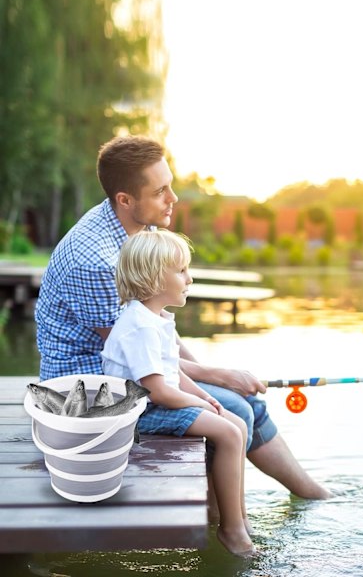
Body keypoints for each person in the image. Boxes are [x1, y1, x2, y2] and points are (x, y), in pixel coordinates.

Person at [35, 134, 330, 500]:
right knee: (233, 407)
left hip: (135, 365)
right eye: (161, 191)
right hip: (91, 387)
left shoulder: (141, 226)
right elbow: (134, 350)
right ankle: (220, 521)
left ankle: (309, 495)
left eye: (170, 186)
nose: (172, 199)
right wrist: (215, 377)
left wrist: (210, 374)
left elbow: (156, 331)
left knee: (247, 402)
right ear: (125, 200)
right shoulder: (95, 261)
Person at [102, 229, 254, 556]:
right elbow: (158, 392)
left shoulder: (156, 319)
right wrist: (200, 402)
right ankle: (232, 531)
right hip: (138, 412)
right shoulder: (139, 326)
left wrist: (206, 397)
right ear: (155, 278)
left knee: (237, 425)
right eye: (181, 271)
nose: (190, 278)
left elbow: (175, 371)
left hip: (157, 401)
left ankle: (234, 515)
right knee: (228, 434)